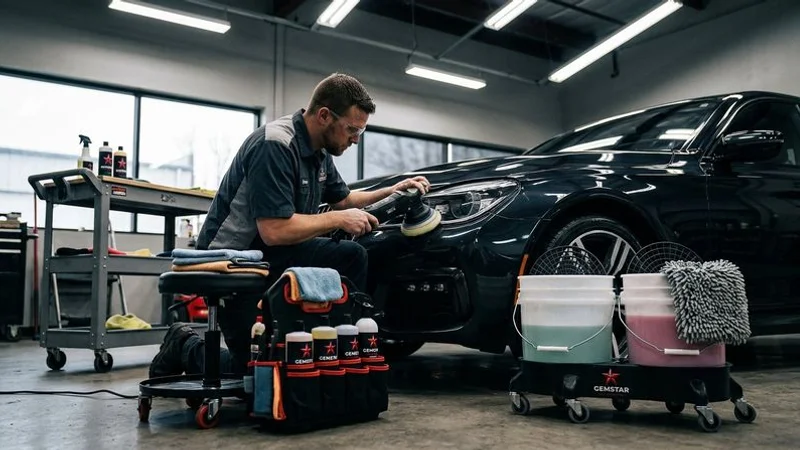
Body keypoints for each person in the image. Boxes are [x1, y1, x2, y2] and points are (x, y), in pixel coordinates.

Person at [149, 73, 430, 378]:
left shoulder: (319, 150)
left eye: (360, 130)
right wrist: (337, 220)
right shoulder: (276, 145)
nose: (355, 139)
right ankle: (184, 344)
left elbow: (344, 199)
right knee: (255, 373)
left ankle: (335, 348)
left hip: (274, 252)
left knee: (351, 255)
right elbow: (275, 230)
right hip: (234, 259)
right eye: (352, 129)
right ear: (324, 116)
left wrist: (391, 190)